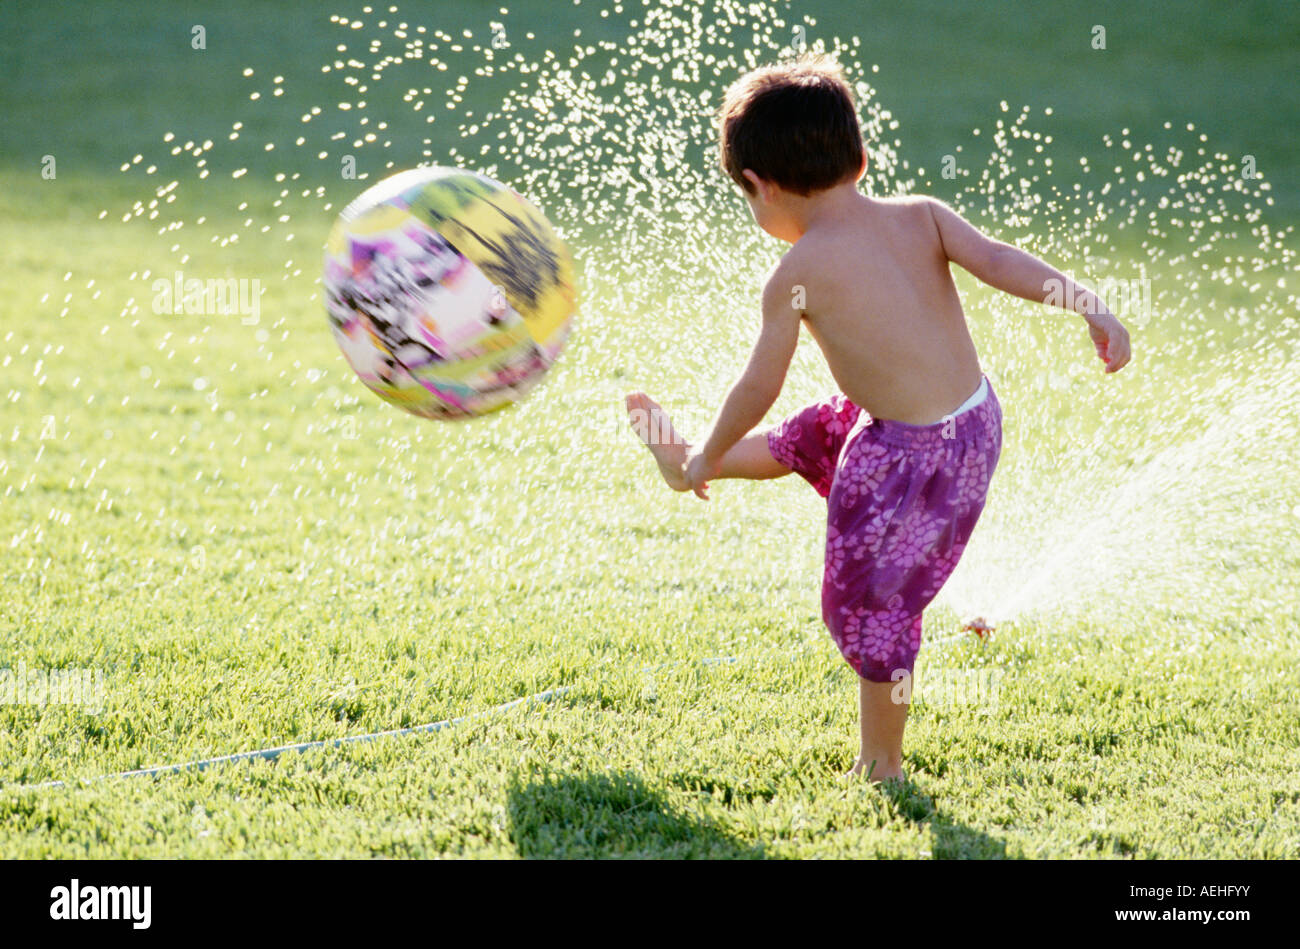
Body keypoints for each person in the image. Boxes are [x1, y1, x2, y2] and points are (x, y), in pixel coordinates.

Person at [626, 57, 1131, 783]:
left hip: (911, 460)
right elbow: (999, 260)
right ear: (859, 158)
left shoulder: (795, 273)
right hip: (972, 421)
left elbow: (758, 383)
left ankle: (882, 762)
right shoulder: (921, 213)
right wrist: (1088, 302)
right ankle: (695, 464)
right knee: (818, 432)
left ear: (759, 188)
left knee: (869, 607)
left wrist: (713, 438)